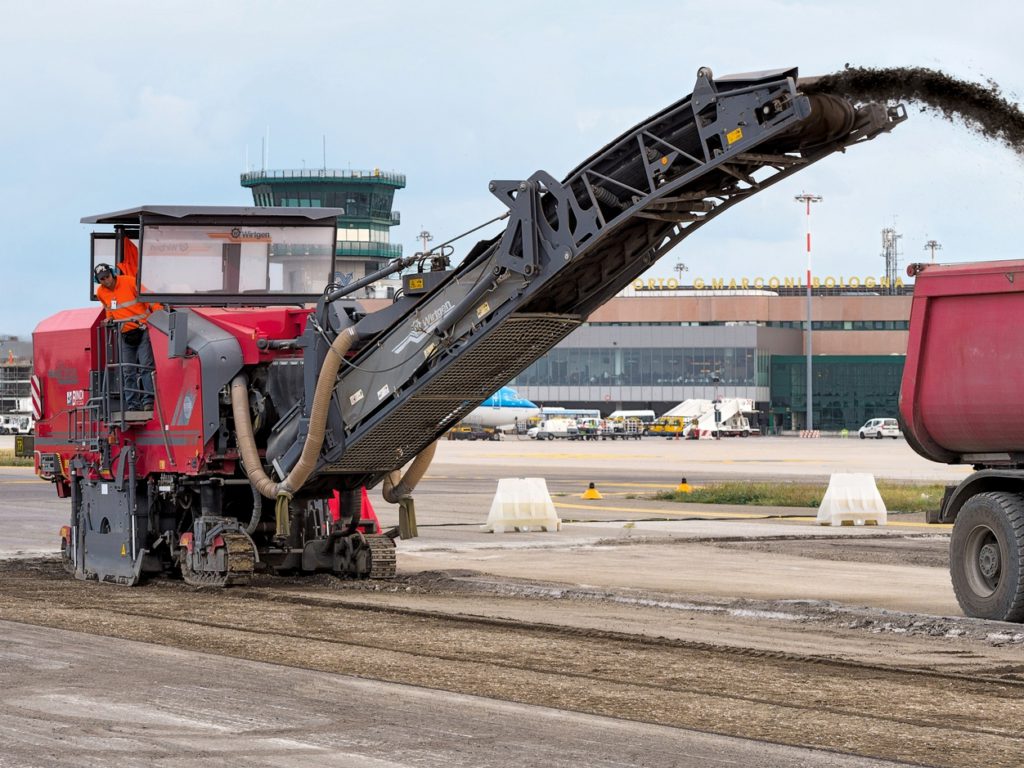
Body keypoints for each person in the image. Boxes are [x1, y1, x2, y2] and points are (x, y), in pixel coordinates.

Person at [94, 262, 155, 413]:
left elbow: (150, 299)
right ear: (98, 281)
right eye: (102, 279)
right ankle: (133, 405)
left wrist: (159, 315)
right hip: (124, 333)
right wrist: (109, 319)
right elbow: (109, 308)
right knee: (128, 370)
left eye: (107, 276)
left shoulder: (129, 281)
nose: (106, 280)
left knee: (146, 366)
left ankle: (149, 402)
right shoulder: (101, 292)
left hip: (143, 329)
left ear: (112, 273)